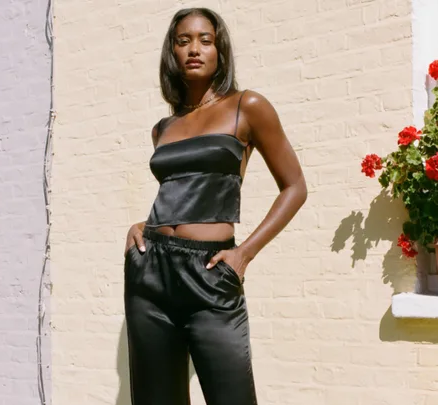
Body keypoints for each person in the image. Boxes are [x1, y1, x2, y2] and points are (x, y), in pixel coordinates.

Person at [123, 7, 307, 405]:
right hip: (150, 272)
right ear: (171, 52)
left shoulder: (248, 105)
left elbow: (295, 187)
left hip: (209, 274)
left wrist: (244, 253)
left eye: (205, 40)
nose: (194, 49)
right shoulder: (164, 128)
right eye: (183, 40)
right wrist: (143, 224)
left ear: (220, 50)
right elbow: (179, 190)